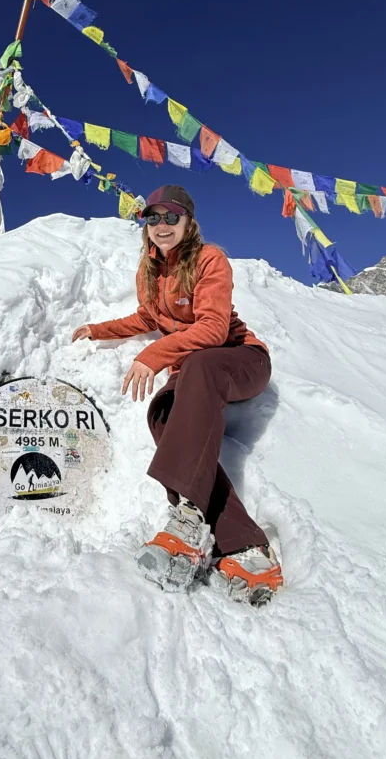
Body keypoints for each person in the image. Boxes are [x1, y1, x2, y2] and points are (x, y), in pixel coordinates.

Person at [72, 185, 282, 605]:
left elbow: (213, 330)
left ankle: (187, 518)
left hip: (238, 359)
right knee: (162, 413)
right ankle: (242, 544)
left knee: (200, 364)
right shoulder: (150, 272)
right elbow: (147, 316)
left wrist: (154, 354)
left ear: (188, 222)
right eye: (154, 217)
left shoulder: (209, 260)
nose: (162, 225)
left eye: (171, 216)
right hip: (193, 372)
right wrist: (99, 330)